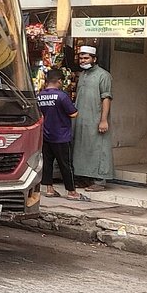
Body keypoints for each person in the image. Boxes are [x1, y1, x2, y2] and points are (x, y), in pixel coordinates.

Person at [72, 44, 115, 191]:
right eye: (81, 58)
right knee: (82, 148)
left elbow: (106, 98)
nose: (83, 61)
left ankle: (99, 181)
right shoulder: (83, 74)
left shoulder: (104, 75)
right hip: (81, 118)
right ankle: (84, 178)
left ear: (94, 59)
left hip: (96, 119)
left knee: (99, 148)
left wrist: (103, 120)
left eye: (86, 58)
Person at [37, 69, 81, 200]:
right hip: (61, 136)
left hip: (45, 136)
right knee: (66, 165)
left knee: (47, 163)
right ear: (59, 81)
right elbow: (73, 113)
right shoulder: (61, 96)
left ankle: (49, 189)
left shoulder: (39, 96)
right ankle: (72, 192)